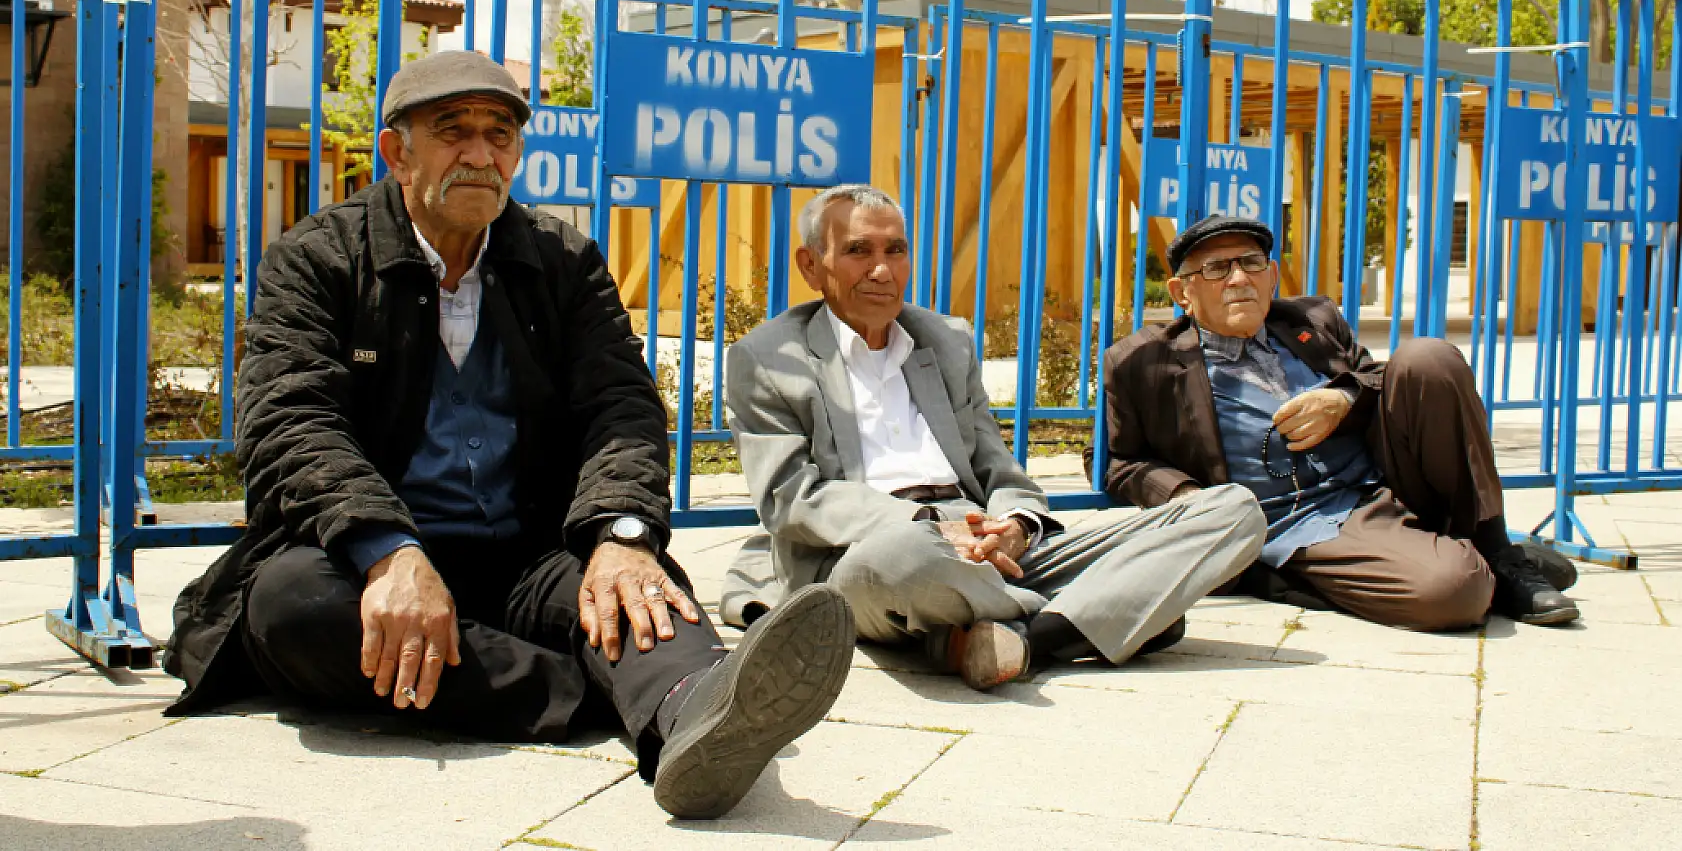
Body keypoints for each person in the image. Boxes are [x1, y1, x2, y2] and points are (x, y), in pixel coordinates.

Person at [162, 50, 854, 820]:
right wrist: (387, 548)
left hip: (530, 547)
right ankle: (612, 696)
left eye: (499, 136)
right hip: (375, 553)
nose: (480, 155)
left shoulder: (563, 260)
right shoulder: (319, 258)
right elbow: (289, 420)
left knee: (644, 590)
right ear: (397, 152)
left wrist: (621, 535)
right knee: (291, 608)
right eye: (452, 132)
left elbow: (621, 407)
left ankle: (695, 708)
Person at [719, 184, 1266, 690]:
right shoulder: (769, 359)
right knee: (906, 556)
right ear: (811, 266)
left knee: (1233, 509)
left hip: (988, 543)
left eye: (896, 250)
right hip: (871, 551)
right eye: (859, 251)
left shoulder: (946, 340)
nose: (883, 270)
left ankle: (1028, 637)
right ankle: (1099, 610)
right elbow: (790, 499)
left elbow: (997, 466)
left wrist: (1016, 527)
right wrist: (930, 524)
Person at [1095, 213, 1579, 631]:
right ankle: (1458, 565)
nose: (1238, 279)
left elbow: (1376, 376)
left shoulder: (1314, 320)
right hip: (1300, 523)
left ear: (1272, 276)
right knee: (1453, 592)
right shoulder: (1143, 363)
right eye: (1217, 269)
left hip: (1386, 484)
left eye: (1251, 263)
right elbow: (1119, 461)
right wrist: (1188, 499)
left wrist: (1344, 398)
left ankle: (1497, 553)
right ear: (1182, 291)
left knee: (1430, 358)